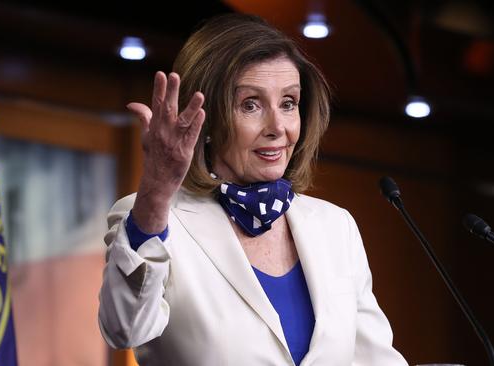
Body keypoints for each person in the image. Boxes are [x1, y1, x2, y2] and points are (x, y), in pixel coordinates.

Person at [98, 13, 407, 366]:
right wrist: (155, 193)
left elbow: (376, 360)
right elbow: (125, 328)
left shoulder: (336, 227)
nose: (277, 126)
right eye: (251, 104)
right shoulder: (151, 219)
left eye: (288, 103)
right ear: (207, 118)